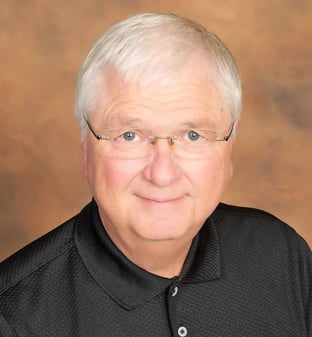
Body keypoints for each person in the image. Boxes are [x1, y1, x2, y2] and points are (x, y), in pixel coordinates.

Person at [0, 12, 311, 337]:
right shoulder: (13, 316)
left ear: (228, 150)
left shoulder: (281, 255)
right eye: (129, 135)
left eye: (193, 135)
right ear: (85, 154)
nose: (162, 174)